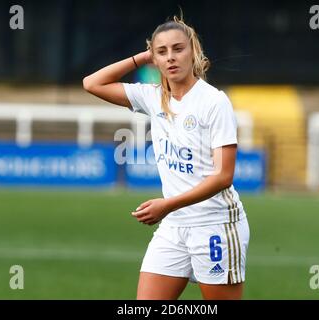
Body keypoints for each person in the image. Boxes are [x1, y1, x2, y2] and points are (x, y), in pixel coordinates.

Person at [83, 13, 250, 300]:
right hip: (173, 227)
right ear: (154, 58)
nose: (170, 57)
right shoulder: (152, 96)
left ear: (193, 51)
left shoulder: (214, 102)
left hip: (215, 225)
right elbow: (92, 83)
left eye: (178, 48)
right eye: (162, 52)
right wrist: (141, 58)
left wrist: (167, 205)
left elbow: (223, 176)